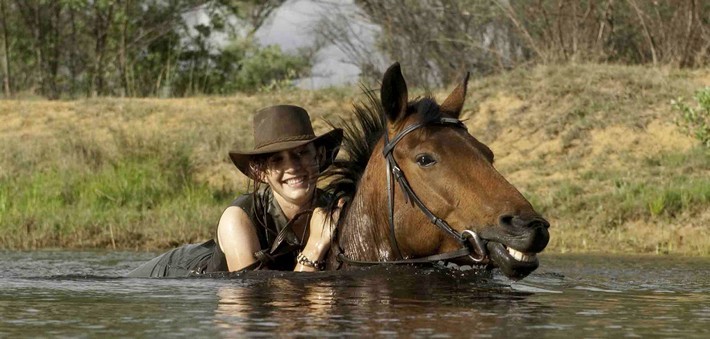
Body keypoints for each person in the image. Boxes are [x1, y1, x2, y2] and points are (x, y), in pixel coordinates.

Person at [127, 105, 344, 277]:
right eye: (277, 159)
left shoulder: (336, 207)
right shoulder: (237, 219)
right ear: (261, 172)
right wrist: (315, 245)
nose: (293, 167)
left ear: (320, 155)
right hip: (170, 277)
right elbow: (257, 300)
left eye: (302, 153)